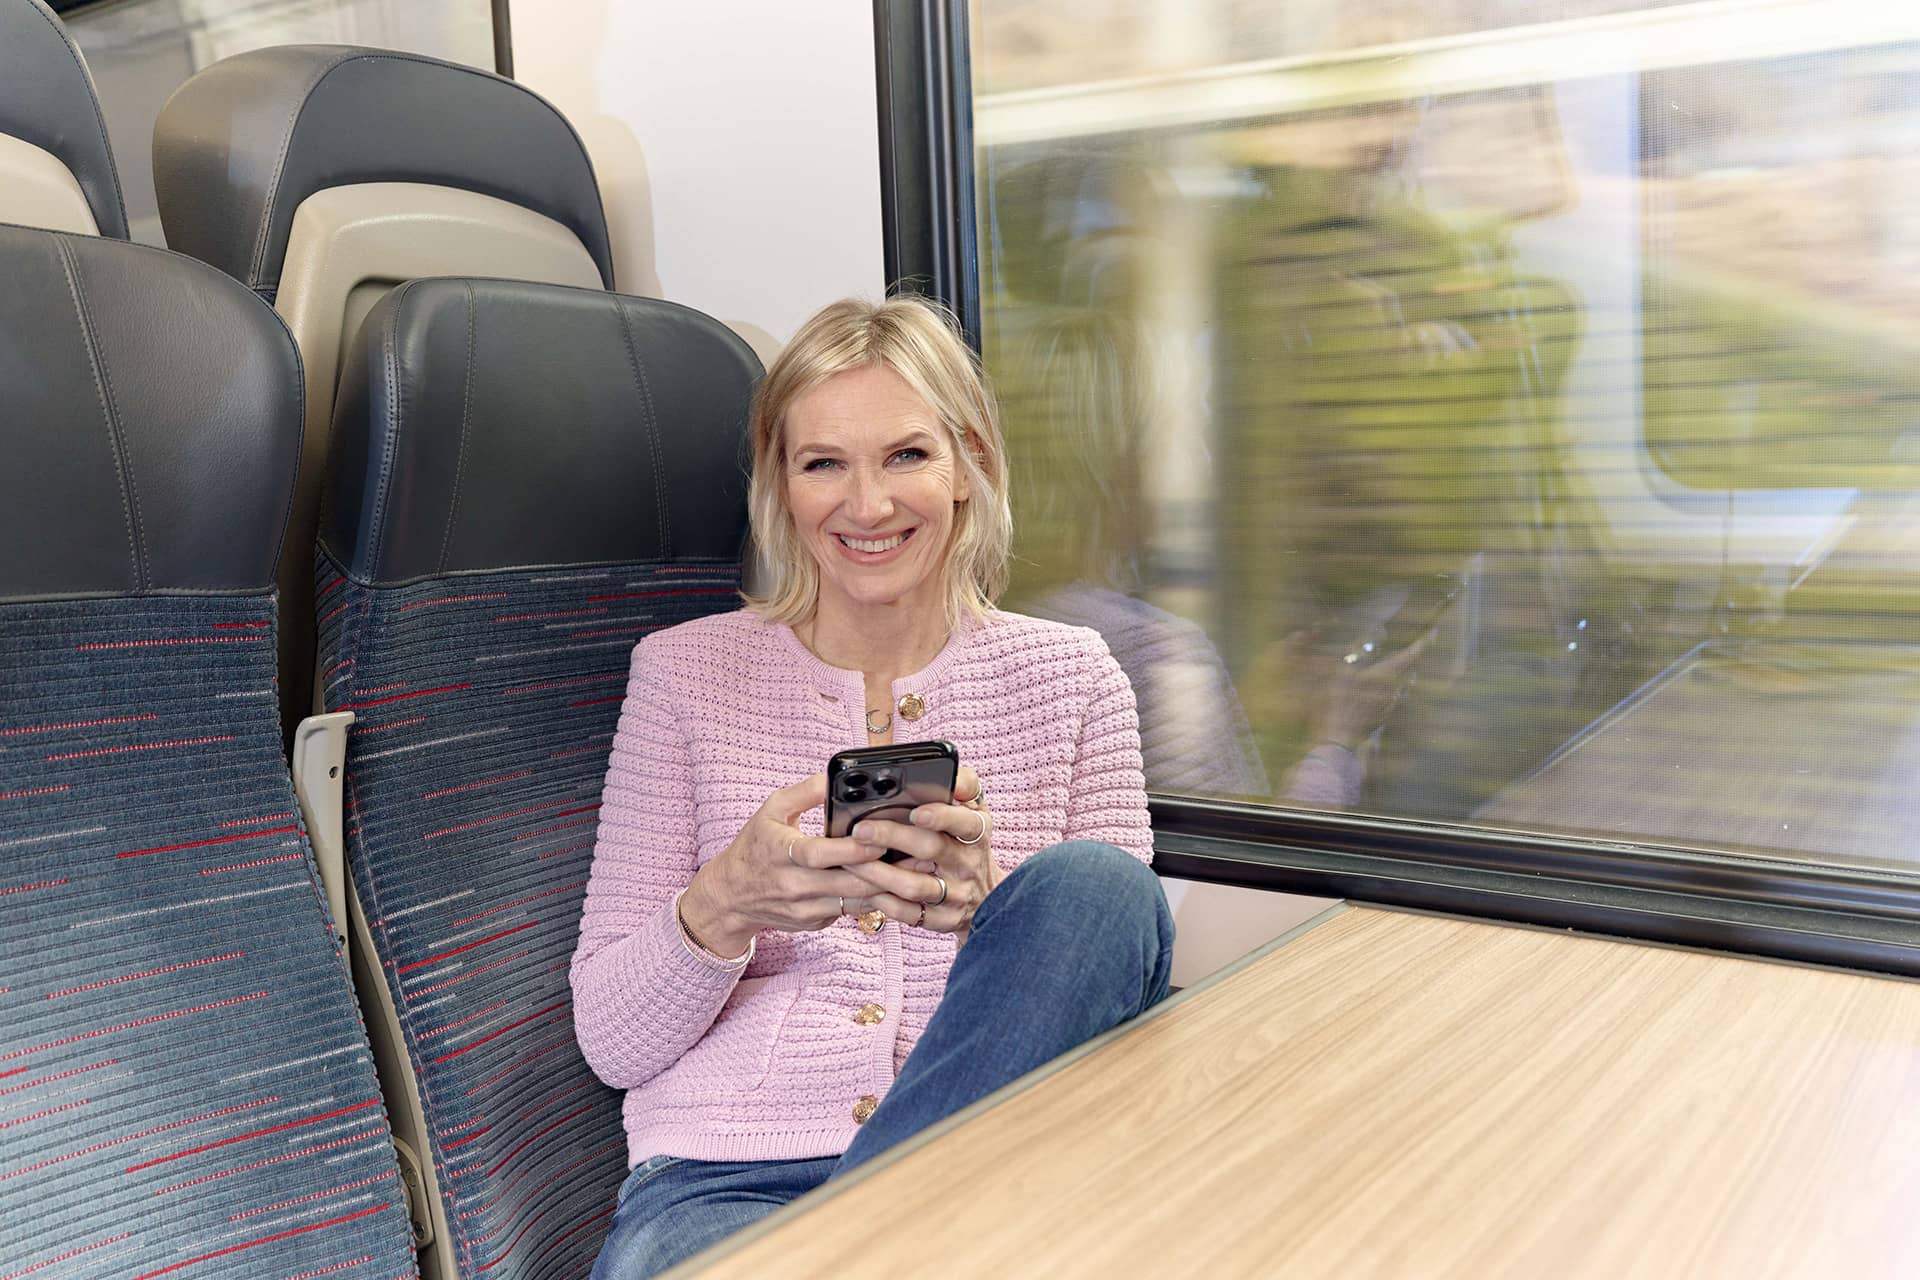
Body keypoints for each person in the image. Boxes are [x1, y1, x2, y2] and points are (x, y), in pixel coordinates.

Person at [572, 295, 1175, 1278]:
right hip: (729, 1180)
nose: (867, 504)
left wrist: (988, 919)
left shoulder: (1075, 677)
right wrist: (723, 906)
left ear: (969, 464)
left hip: (979, 1156)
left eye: (905, 455)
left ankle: (867, 1238)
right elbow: (611, 1039)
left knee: (1094, 888)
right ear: (781, 482)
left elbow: (1112, 1000)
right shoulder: (680, 675)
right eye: (824, 464)